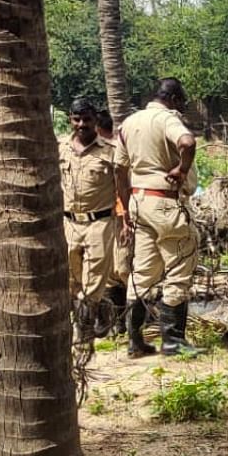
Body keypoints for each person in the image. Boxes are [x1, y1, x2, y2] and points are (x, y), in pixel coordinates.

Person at [115, 78, 199, 357]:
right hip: (165, 203)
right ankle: (173, 340)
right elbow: (187, 142)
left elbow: (119, 169)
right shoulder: (167, 119)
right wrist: (182, 170)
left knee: (142, 272)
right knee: (178, 266)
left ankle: (134, 341)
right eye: (182, 103)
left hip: (139, 202)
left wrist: (126, 209)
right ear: (173, 99)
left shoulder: (129, 123)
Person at [59, 98, 131, 343]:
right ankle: (101, 313)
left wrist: (126, 220)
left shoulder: (109, 152)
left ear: (95, 121)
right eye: (76, 119)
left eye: (87, 119)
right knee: (71, 279)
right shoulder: (60, 149)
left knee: (94, 280)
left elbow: (122, 188)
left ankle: (85, 334)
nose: (81, 124)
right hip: (68, 223)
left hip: (100, 223)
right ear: (70, 119)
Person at [97, 109, 132, 337]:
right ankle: (116, 325)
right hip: (105, 218)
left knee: (124, 269)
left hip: (122, 218)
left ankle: (132, 327)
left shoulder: (117, 152)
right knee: (110, 273)